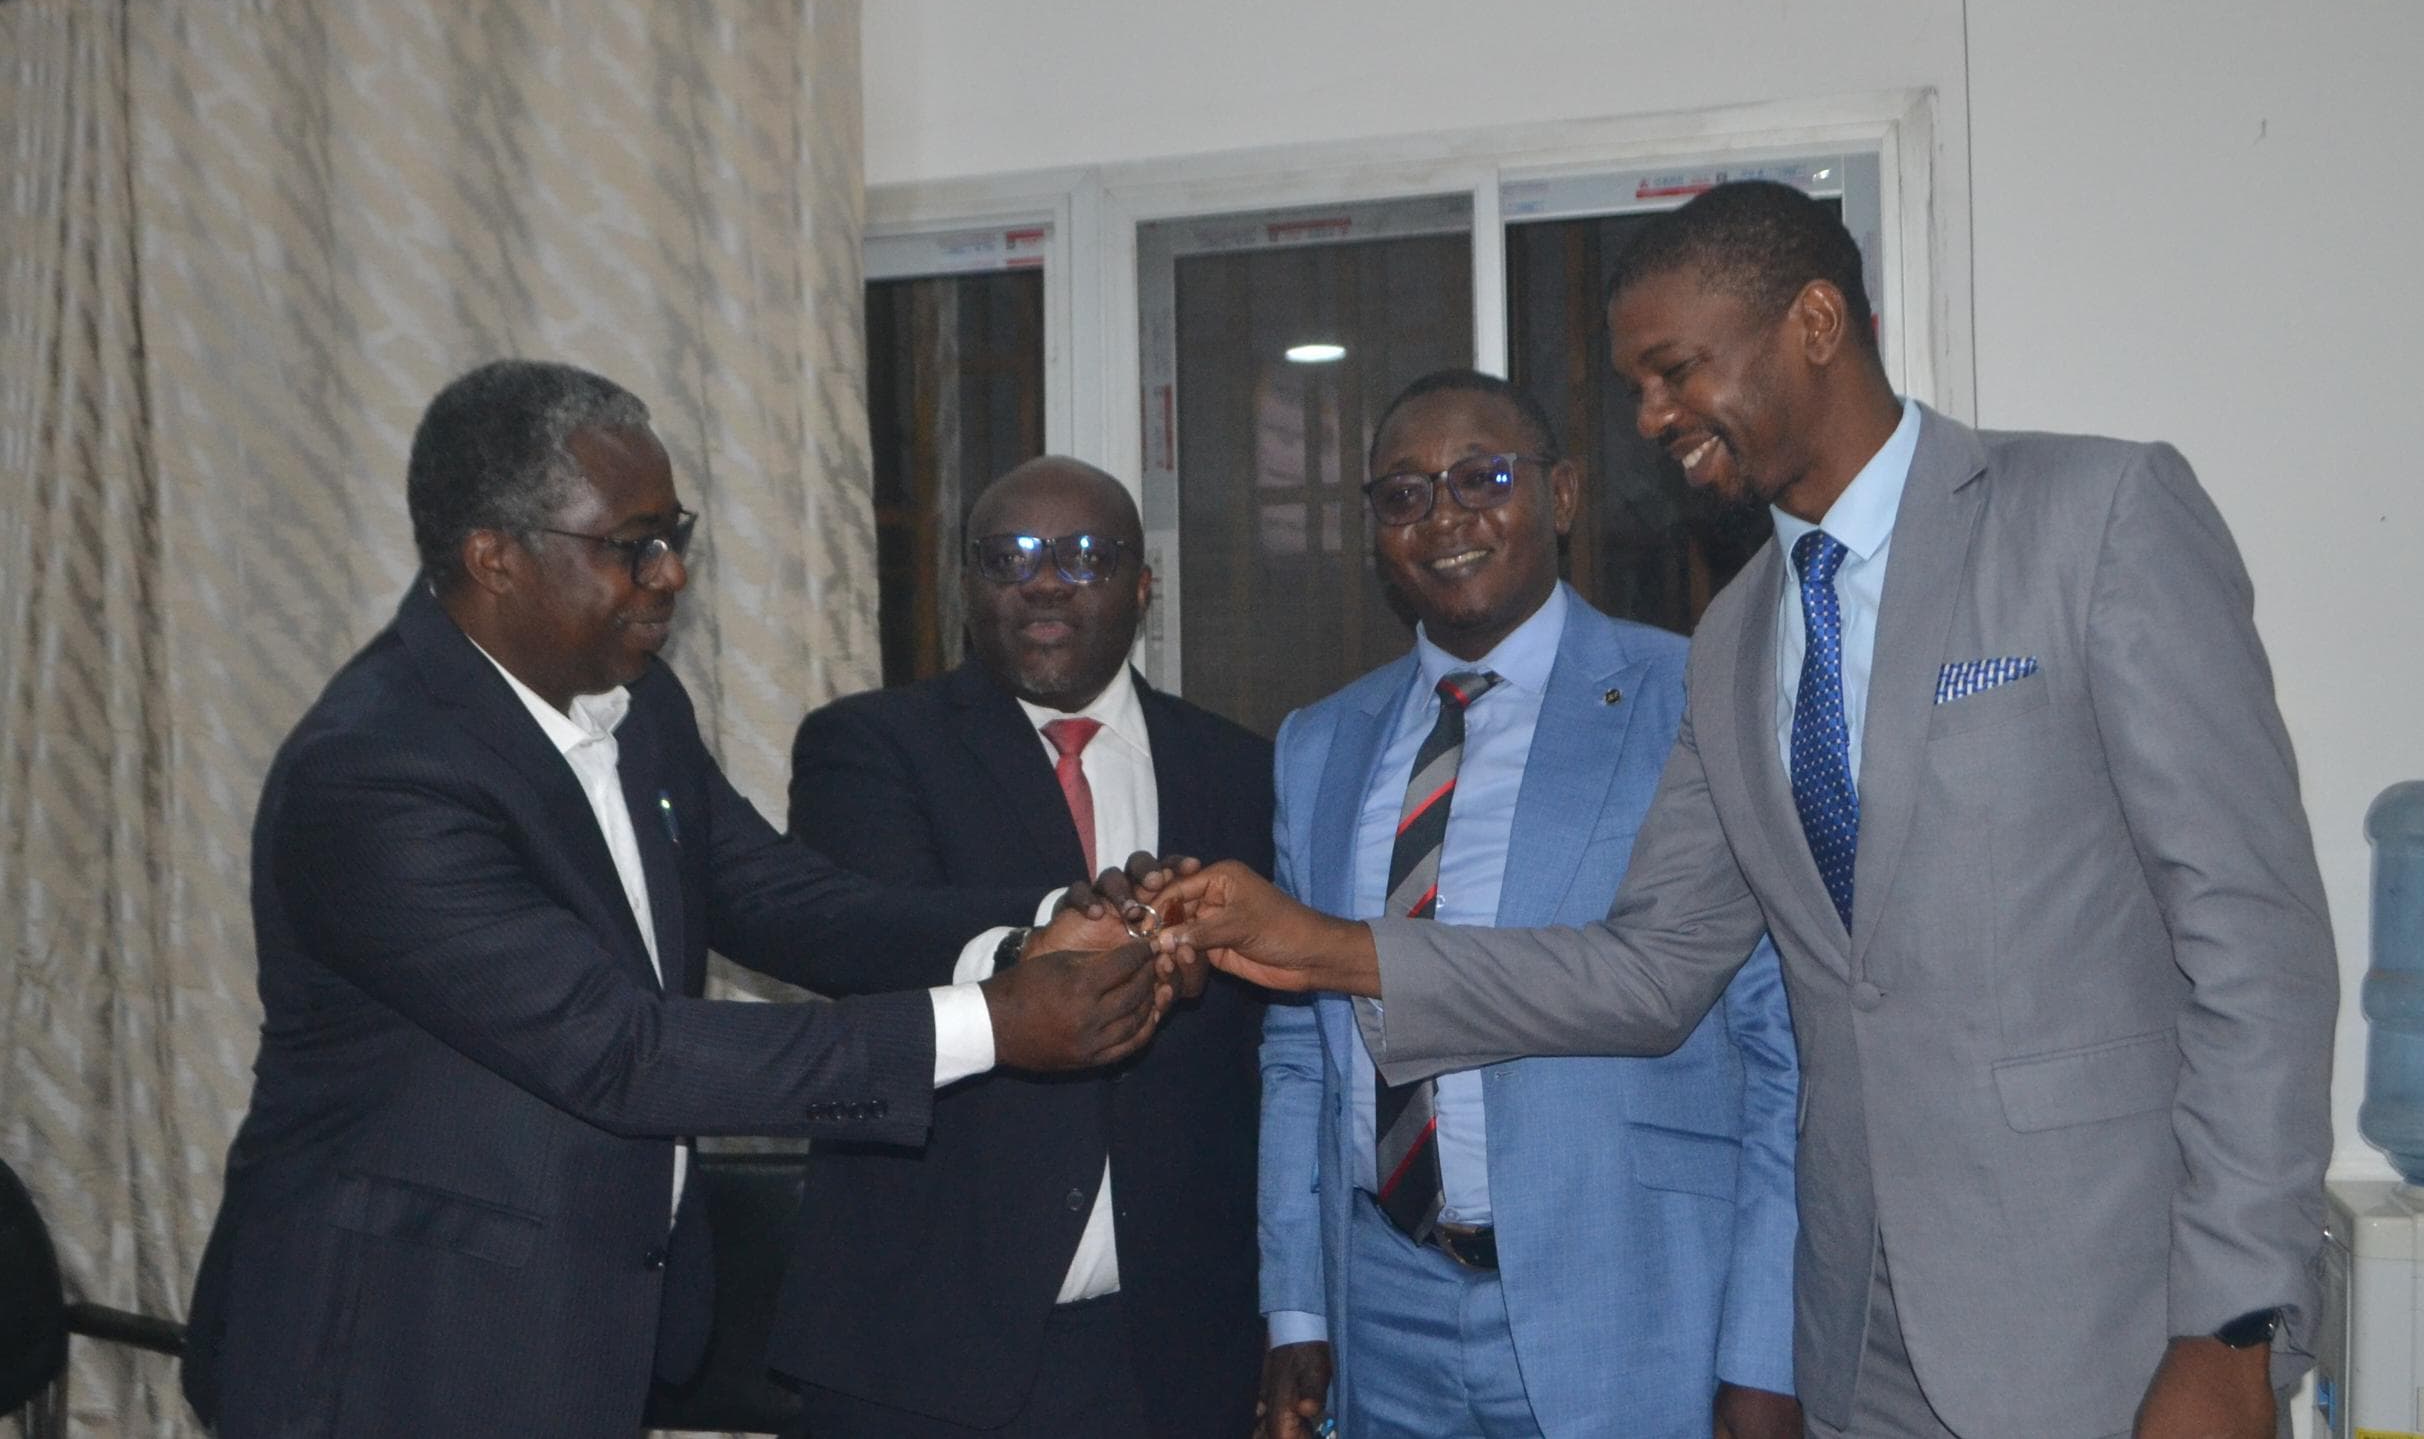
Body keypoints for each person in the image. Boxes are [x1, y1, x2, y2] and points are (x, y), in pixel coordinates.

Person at [1157, 182, 2339, 1439]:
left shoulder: (2089, 518)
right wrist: (1332, 950)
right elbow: (1651, 970)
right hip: (1855, 1338)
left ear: (1814, 323)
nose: (1651, 418)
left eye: (1675, 372)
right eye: (1637, 388)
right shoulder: (1733, 640)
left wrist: (2233, 1320)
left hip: (2105, 1313)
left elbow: (2252, 943)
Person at [181, 361, 1166, 1439]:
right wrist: (992, 1025)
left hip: (577, 1321)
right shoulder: (377, 774)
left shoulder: (632, 699)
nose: (671, 575)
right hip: (399, 1342)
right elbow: (622, 1052)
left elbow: (781, 897)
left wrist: (1033, 932)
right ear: (495, 558)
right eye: (632, 544)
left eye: (674, 533)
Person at [1253, 370, 1801, 1439]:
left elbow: (1777, 1050)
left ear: (1562, 495)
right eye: (1403, 494)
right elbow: (1296, 1055)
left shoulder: (1690, 695)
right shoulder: (1319, 744)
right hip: (1384, 1310)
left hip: (1636, 1307)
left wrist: (1764, 1351)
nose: (1443, 516)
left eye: (1482, 478)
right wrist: (1296, 1309)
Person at [768, 456, 1274, 1437]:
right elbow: (870, 936)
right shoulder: (867, 747)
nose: (1044, 582)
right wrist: (1075, 929)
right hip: (921, 1350)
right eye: (1009, 558)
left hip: (1174, 1354)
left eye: (1085, 556)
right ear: (967, 585)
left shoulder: (1241, 771)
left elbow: (1270, 1057)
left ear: (1143, 586)